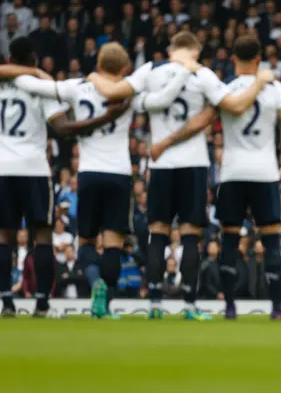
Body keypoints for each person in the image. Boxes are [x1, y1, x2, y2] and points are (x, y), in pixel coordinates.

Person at [87, 31, 275, 321]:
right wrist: (261, 81)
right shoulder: (203, 75)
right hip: (194, 163)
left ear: (171, 48)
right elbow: (234, 105)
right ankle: (189, 304)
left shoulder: (149, 71)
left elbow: (116, 92)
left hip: (160, 165)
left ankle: (155, 304)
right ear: (196, 51)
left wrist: (93, 77)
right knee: (190, 236)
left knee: (158, 233)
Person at [6, 42, 198, 318]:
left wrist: (24, 71)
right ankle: (105, 305)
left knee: (85, 242)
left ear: (97, 65)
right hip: (119, 174)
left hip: (88, 174)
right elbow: (161, 101)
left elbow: (33, 85)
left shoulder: (77, 87)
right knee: (113, 244)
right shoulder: (129, 94)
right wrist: (183, 72)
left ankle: (95, 284)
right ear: (123, 69)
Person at [149, 35, 281, 321]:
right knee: (270, 239)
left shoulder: (225, 89)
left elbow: (201, 121)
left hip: (231, 174)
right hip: (265, 172)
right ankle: (277, 308)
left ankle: (229, 308)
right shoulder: (275, 88)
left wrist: (167, 141)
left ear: (233, 60)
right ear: (259, 59)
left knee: (229, 239)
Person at [0, 37, 128, 317]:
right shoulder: (41, 90)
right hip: (33, 168)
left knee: (4, 236)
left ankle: (6, 300)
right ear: (34, 58)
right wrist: (104, 118)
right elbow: (63, 126)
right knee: (42, 236)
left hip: (2, 168)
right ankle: (43, 302)